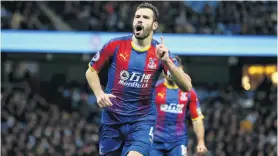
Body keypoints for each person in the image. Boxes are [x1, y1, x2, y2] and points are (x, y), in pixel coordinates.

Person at [85, 2, 192, 156]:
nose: (140, 20)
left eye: (145, 17)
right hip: (112, 119)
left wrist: (167, 61)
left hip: (142, 121)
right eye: (137, 17)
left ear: (154, 25)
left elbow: (187, 85)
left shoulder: (160, 53)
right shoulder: (115, 45)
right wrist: (99, 94)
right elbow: (91, 71)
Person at [150, 56, 207, 156]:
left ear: (180, 70)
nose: (170, 72)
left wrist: (201, 142)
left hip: (178, 142)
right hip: (155, 141)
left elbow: (197, 119)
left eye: (173, 69)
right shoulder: (155, 88)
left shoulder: (189, 92)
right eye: (167, 68)